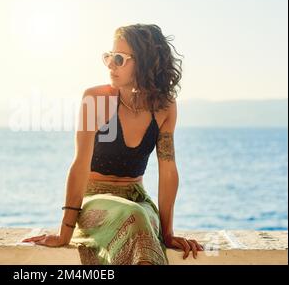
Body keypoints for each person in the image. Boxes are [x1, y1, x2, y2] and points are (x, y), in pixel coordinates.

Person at [22, 23, 204, 265]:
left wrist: (168, 233)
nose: (110, 64)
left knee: (141, 219)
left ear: (145, 62)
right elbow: (80, 165)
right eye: (109, 57)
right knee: (136, 218)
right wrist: (64, 232)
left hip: (138, 200)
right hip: (94, 201)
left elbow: (168, 169)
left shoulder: (165, 107)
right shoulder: (96, 99)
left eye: (119, 58)